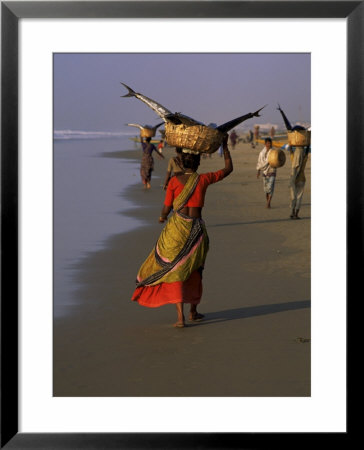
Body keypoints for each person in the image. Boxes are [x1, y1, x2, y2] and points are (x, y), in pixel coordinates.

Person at [131, 134, 233, 328]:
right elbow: (228, 169)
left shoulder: (174, 182)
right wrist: (225, 146)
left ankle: (180, 317)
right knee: (196, 270)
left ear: (182, 163)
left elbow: (166, 207)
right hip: (196, 231)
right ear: (197, 164)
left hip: (177, 230)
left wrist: (162, 217)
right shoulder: (203, 179)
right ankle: (193, 311)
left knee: (175, 270)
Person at [288, 145, 310, 219]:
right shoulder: (304, 158)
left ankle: (292, 212)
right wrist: (307, 146)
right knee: (299, 197)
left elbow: (291, 153)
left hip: (294, 179)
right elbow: (306, 154)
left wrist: (291, 146)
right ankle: (296, 214)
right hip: (301, 179)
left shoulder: (294, 159)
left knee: (293, 196)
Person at [256, 137, 276, 208]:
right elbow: (259, 162)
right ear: (265, 144)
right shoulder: (261, 153)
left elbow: (277, 160)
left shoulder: (273, 152)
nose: (268, 144)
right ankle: (268, 201)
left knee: (270, 188)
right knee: (266, 190)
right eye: (267, 143)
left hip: (272, 171)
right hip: (264, 172)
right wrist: (258, 171)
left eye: (269, 143)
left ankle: (268, 202)